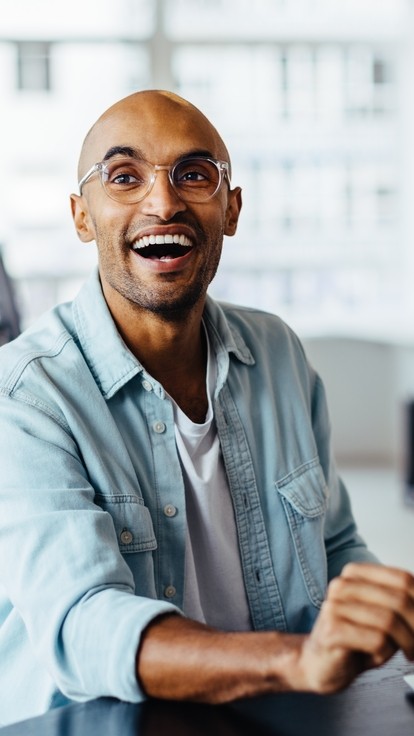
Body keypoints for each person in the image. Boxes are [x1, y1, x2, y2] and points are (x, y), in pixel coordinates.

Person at [0, 90, 413, 727]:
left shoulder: (276, 353)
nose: (162, 202)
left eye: (194, 175)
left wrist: (384, 619)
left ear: (232, 208)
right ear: (82, 216)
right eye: (124, 177)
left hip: (271, 717)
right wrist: (295, 660)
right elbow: (83, 626)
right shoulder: (25, 396)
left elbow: (333, 547)